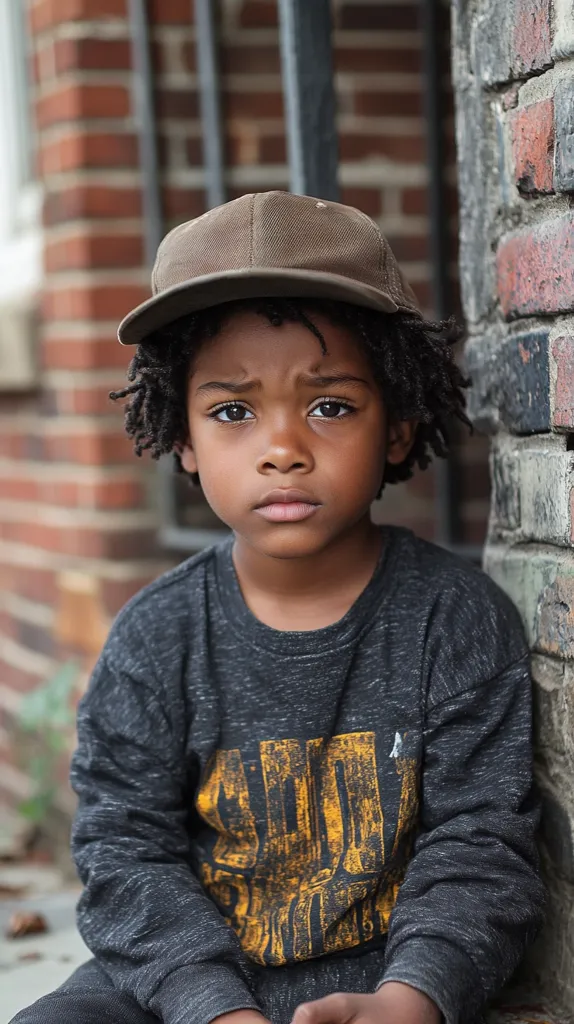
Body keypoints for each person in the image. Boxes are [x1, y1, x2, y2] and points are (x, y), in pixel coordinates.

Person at [12, 191, 544, 1024]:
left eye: (330, 405)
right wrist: (211, 1007)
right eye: (233, 411)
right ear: (182, 436)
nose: (284, 450)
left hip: (379, 983)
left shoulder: (455, 619)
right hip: (186, 988)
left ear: (398, 426)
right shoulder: (156, 639)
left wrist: (415, 998)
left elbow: (482, 844)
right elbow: (126, 855)